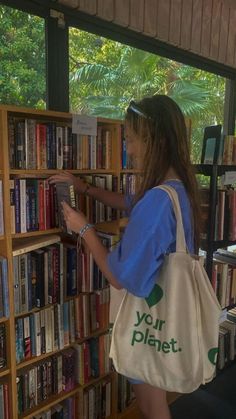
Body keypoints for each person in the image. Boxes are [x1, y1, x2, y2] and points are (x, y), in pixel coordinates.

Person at [49, 94, 201, 419]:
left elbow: (118, 277)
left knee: (150, 403)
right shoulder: (175, 187)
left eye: (132, 140)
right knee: (154, 395)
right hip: (167, 313)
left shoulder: (158, 201)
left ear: (155, 140)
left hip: (149, 319)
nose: (129, 150)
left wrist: (84, 228)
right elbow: (131, 203)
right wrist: (85, 188)